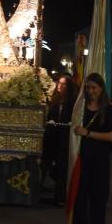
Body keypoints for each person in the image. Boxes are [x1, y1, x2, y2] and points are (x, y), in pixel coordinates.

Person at [72, 72, 112, 224]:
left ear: (101, 89)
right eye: (87, 87)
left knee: (98, 199)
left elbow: (111, 137)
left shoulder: (109, 111)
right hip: (82, 160)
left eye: (94, 87)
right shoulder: (80, 109)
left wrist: (88, 133)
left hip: (99, 161)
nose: (90, 91)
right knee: (80, 198)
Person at [44, 74, 77, 206]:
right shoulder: (55, 100)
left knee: (62, 168)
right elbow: (51, 115)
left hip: (65, 138)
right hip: (54, 137)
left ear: (68, 87)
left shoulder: (72, 101)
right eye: (59, 83)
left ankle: (60, 198)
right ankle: (59, 195)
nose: (60, 86)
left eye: (63, 84)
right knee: (53, 166)